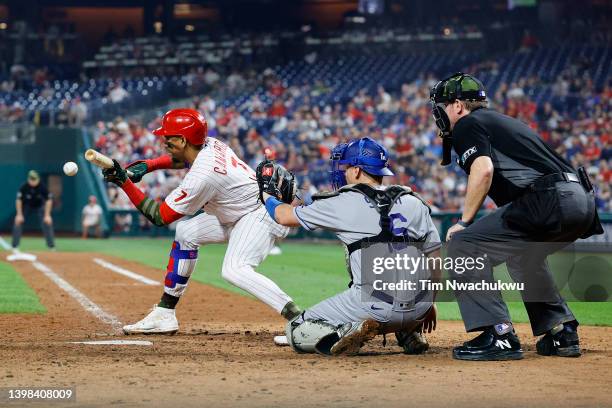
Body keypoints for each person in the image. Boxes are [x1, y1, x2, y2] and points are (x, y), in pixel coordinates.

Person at [430, 72, 603, 360]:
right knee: (524, 256)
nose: (439, 114)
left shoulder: (467, 124)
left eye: (442, 106)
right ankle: (561, 331)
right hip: (581, 200)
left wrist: (463, 222)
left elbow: (483, 170)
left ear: (458, 106)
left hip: (550, 199)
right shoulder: (502, 122)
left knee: (464, 245)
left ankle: (498, 334)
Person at [102, 108, 300, 334]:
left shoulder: (203, 176)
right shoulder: (209, 143)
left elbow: (160, 216)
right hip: (237, 212)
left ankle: (301, 319)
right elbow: (182, 160)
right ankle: (165, 314)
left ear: (183, 140)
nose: (164, 140)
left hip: (258, 215)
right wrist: (149, 165)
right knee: (186, 232)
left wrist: (124, 183)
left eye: (169, 137)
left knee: (234, 270)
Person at [257, 137, 440, 356]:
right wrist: (429, 303)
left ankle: (349, 328)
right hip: (419, 307)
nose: (342, 172)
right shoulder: (414, 201)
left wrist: (266, 193)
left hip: (374, 306)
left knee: (296, 329)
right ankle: (409, 333)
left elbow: (283, 216)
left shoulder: (342, 202)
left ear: (357, 170)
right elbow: (435, 258)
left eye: (346, 167)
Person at [12, 170, 55, 250]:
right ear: (28, 179)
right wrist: (19, 214)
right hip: (26, 206)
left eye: (35, 179)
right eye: (31, 179)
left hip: (39, 206)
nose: (33, 181)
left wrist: (47, 215)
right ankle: (15, 246)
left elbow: (49, 200)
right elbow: (18, 200)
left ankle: (51, 246)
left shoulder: (42, 187)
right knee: (18, 221)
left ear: (38, 179)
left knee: (47, 222)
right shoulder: (24, 187)